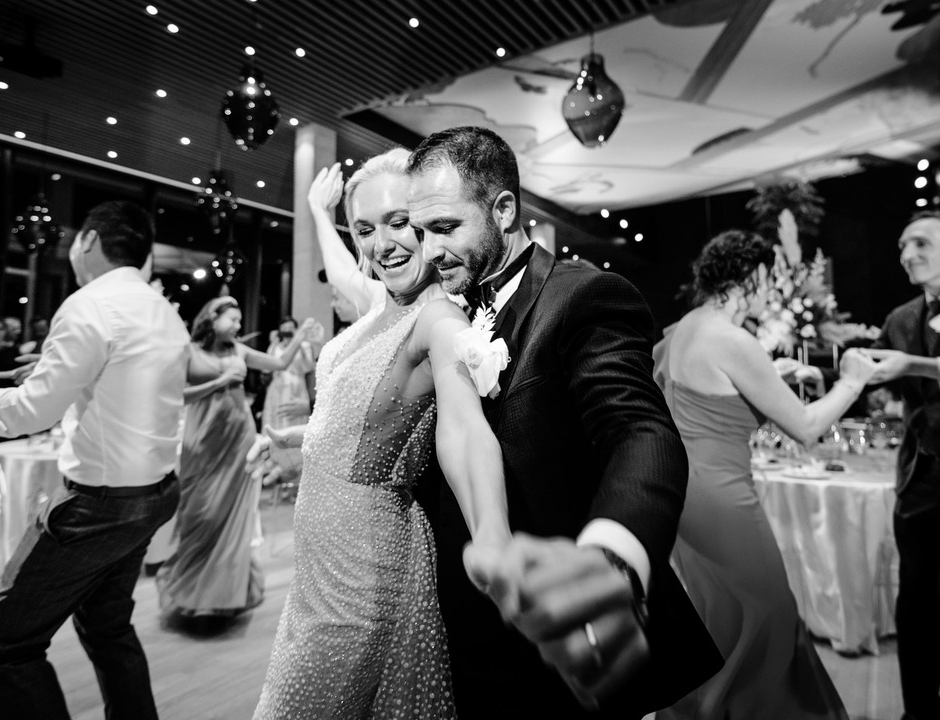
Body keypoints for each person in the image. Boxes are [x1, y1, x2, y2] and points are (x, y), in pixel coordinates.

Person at [405, 126, 721, 718]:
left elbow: (641, 433)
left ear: (503, 210)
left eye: (445, 228)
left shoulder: (586, 296)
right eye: (421, 232)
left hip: (568, 642)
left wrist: (612, 558)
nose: (429, 251)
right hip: (470, 634)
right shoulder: (442, 308)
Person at [253, 149, 511, 718]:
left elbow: (464, 431)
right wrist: (301, 437)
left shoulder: (439, 320)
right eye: (365, 229)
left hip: (362, 574)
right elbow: (347, 275)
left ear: (426, 220)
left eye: (399, 222)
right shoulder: (381, 303)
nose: (381, 244)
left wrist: (493, 536)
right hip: (316, 571)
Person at [0, 200, 189, 720]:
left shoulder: (89, 304)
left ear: (87, 241)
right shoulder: (162, 311)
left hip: (100, 505)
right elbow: (129, 377)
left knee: (7, 646)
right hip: (156, 493)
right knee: (108, 628)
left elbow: (26, 415)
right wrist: (53, 369)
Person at [652, 230, 875, 719]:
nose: (770, 288)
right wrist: (853, 379)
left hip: (681, 495)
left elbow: (704, 395)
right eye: (768, 277)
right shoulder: (733, 338)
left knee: (722, 618)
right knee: (767, 614)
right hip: (723, 498)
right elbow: (808, 427)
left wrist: (776, 373)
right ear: (751, 276)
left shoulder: (681, 329)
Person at [157, 298, 317, 619]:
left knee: (231, 512)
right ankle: (191, 586)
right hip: (201, 441)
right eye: (232, 319)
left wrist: (301, 336)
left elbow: (281, 364)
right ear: (212, 318)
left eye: (239, 320)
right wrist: (218, 383)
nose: (237, 326)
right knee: (199, 511)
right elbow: (173, 394)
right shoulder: (188, 351)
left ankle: (224, 592)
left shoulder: (240, 351)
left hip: (237, 438)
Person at [861, 210, 940, 720]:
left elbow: (902, 367)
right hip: (921, 482)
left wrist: (911, 364)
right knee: (915, 605)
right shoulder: (901, 318)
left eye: (920, 243)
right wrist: (814, 372)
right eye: (901, 246)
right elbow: (870, 374)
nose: (906, 254)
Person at [261, 316, 316, 432]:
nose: (287, 331)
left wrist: (298, 342)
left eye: (290, 328)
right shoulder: (275, 346)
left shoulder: (304, 345)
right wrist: (274, 343)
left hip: (297, 387)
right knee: (276, 420)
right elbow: (267, 369)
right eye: (284, 329)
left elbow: (309, 367)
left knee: (295, 419)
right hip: (277, 387)